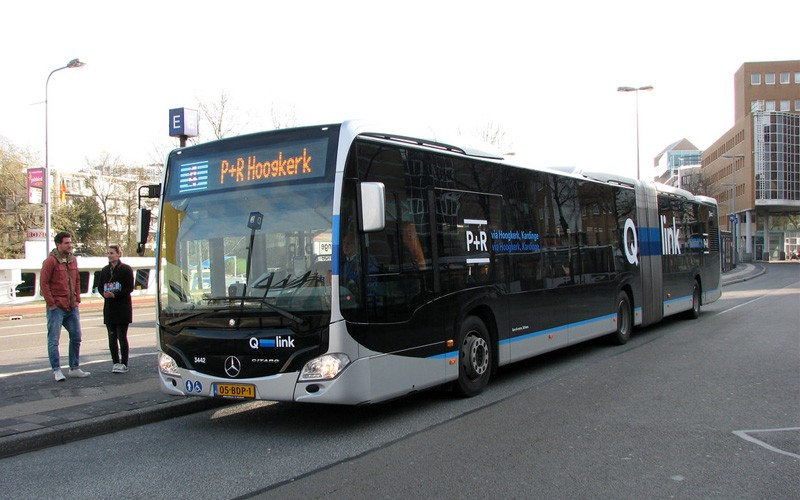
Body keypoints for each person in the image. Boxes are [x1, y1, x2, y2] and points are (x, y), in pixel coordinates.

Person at [41, 231, 90, 382]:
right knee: (54, 339)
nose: (70, 245)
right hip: (57, 308)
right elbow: (44, 283)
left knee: (76, 336)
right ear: (58, 244)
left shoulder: (73, 260)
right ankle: (56, 370)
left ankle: (74, 368)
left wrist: (77, 300)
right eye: (67, 243)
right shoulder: (50, 261)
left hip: (71, 306)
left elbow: (76, 280)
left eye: (70, 242)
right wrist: (52, 304)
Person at [100, 244, 134, 373]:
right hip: (109, 308)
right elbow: (99, 286)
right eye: (108, 253)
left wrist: (115, 294)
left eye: (112, 253)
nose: (109, 255)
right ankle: (115, 362)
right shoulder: (104, 270)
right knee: (111, 336)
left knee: (121, 336)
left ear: (119, 254)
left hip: (122, 307)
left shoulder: (126, 269)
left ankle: (124, 363)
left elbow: (129, 288)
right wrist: (104, 294)